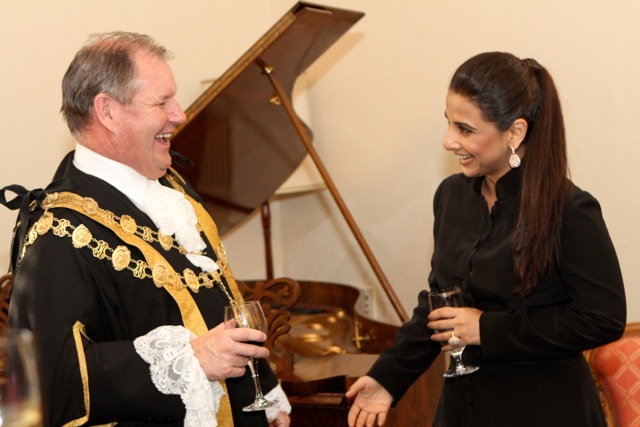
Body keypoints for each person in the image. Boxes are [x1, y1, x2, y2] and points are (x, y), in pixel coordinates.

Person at [1, 32, 291, 427]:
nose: (180, 114)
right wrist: (193, 359)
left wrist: (265, 394)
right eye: (161, 102)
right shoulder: (56, 233)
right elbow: (51, 382)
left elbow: (217, 300)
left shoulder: (171, 188)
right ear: (107, 111)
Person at [346, 51, 626, 427]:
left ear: (515, 132)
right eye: (448, 124)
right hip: (463, 409)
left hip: (545, 409)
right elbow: (438, 304)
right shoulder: (450, 197)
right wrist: (387, 377)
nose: (448, 141)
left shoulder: (570, 209)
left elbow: (601, 320)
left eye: (465, 129)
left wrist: (487, 329)